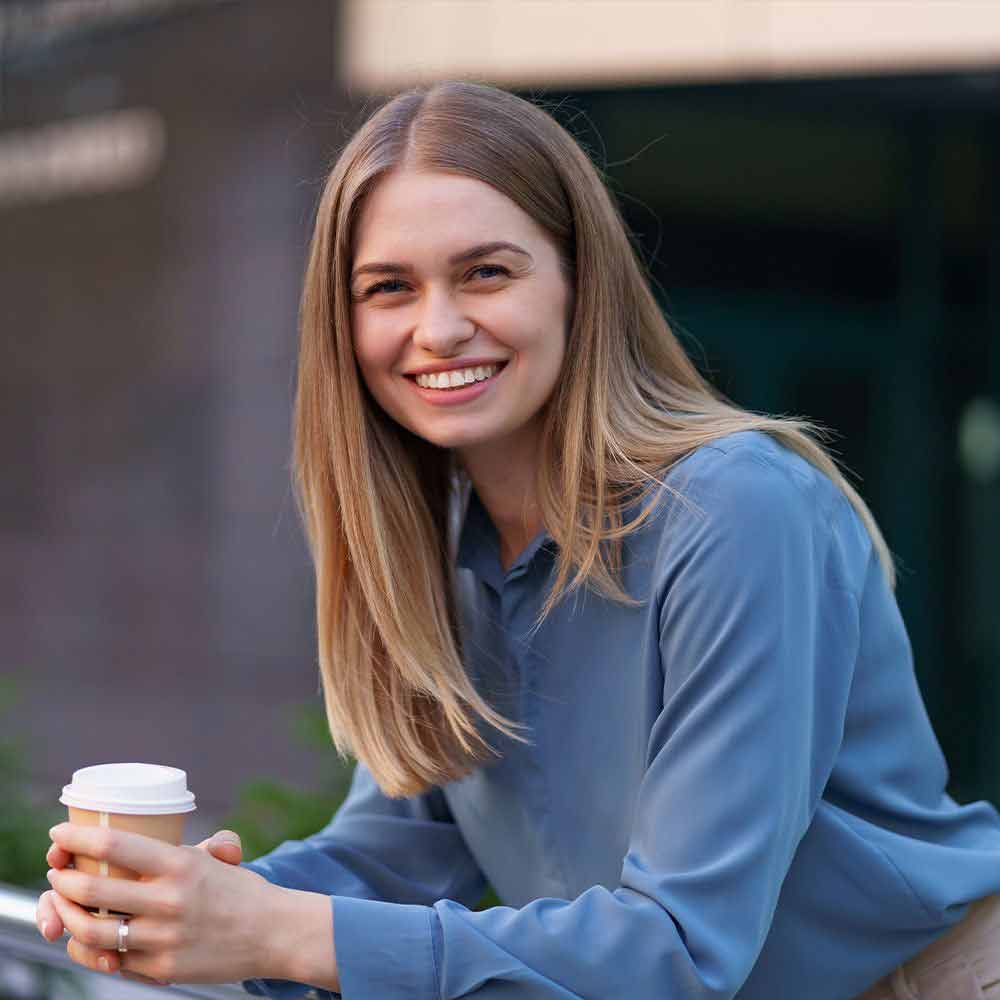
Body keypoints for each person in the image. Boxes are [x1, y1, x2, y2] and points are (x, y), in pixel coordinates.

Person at [36, 80, 1000, 999]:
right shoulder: (445, 555)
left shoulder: (737, 510)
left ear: (581, 283)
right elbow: (396, 852)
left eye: (486, 272)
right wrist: (187, 903)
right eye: (388, 288)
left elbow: (677, 950)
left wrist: (276, 930)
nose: (440, 328)